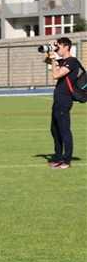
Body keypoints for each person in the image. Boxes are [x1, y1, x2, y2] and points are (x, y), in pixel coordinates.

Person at [45, 37, 82, 169]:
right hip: (58, 101)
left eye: (59, 47)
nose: (57, 49)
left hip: (64, 100)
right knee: (55, 130)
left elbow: (56, 75)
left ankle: (67, 161)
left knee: (64, 130)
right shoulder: (64, 61)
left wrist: (53, 58)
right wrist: (49, 49)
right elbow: (45, 60)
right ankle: (58, 158)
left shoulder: (71, 62)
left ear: (66, 47)